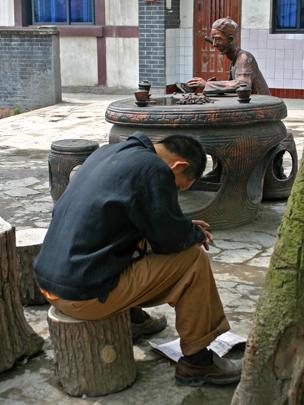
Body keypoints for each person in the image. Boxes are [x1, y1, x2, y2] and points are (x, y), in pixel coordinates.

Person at [34, 131, 241, 386]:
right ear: (179, 166)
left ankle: (134, 318)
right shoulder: (154, 169)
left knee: (134, 233)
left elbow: (149, 220)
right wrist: (191, 234)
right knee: (193, 259)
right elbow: (169, 242)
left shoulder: (108, 153)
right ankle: (197, 362)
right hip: (81, 297)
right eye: (176, 187)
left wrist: (181, 226)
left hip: (50, 282)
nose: (173, 192)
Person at [187, 17, 270, 96]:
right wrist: (214, 86)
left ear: (230, 40)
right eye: (213, 39)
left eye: (218, 39)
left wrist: (207, 84)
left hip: (262, 107)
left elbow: (242, 84)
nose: (214, 44)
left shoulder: (244, 58)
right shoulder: (235, 59)